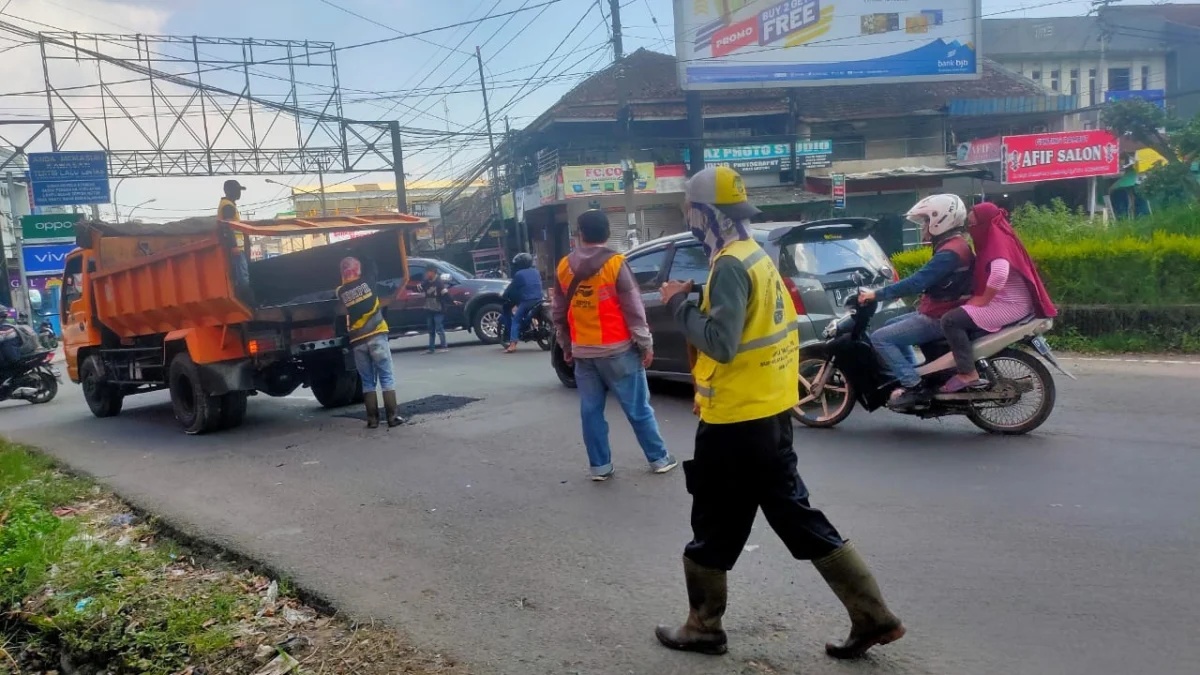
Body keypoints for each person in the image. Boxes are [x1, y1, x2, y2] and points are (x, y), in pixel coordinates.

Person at [654, 166, 903, 659]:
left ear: (706, 214)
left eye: (689, 208)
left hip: (735, 423)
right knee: (795, 514)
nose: (687, 217)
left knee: (714, 521)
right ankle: (873, 616)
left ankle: (704, 626)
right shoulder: (756, 258)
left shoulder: (727, 265)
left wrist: (679, 308)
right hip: (770, 415)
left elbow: (722, 344)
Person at [552, 209, 677, 481]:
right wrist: (646, 344)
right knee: (638, 408)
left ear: (580, 235)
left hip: (583, 353)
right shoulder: (616, 264)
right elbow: (633, 308)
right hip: (618, 350)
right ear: (608, 232)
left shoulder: (563, 266)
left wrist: (566, 346)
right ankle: (659, 458)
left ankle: (600, 467)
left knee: (591, 411)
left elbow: (558, 314)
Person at [858, 194, 974, 408]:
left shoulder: (950, 252)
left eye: (926, 221)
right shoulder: (955, 245)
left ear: (940, 221)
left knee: (880, 337)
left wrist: (878, 294)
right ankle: (915, 371)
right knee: (891, 326)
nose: (923, 227)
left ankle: (914, 385)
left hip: (940, 316)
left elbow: (917, 282)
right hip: (942, 310)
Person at [939, 202, 1057, 392]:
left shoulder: (997, 240)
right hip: (1011, 301)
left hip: (1010, 305)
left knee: (951, 320)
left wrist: (983, 299)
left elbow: (1000, 273)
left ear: (984, 223)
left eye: (973, 224)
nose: (971, 229)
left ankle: (967, 373)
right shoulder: (999, 235)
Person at [336, 256, 403, 429]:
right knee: (386, 376)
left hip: (358, 341)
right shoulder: (368, 281)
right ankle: (392, 417)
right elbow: (373, 266)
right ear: (358, 270)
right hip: (376, 335)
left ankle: (372, 420)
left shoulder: (341, 292)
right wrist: (363, 252)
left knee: (367, 381)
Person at [501, 252, 543, 353]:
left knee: (516, 320)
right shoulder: (536, 271)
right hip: (540, 299)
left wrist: (504, 295)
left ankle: (512, 345)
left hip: (527, 301)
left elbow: (512, 288)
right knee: (527, 316)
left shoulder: (519, 274)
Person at [218, 179, 252, 295]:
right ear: (229, 191)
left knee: (241, 275)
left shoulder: (229, 205)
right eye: (237, 190)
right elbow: (228, 226)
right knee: (242, 276)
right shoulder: (228, 206)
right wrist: (234, 246)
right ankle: (247, 302)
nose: (239, 193)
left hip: (238, 247)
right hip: (236, 248)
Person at [421, 267, 450, 354]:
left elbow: (446, 294)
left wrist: (452, 301)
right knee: (430, 328)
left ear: (433, 272)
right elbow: (419, 288)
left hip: (439, 309)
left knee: (439, 327)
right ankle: (431, 348)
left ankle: (444, 346)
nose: (427, 274)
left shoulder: (439, 282)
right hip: (429, 308)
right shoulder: (426, 282)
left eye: (428, 272)